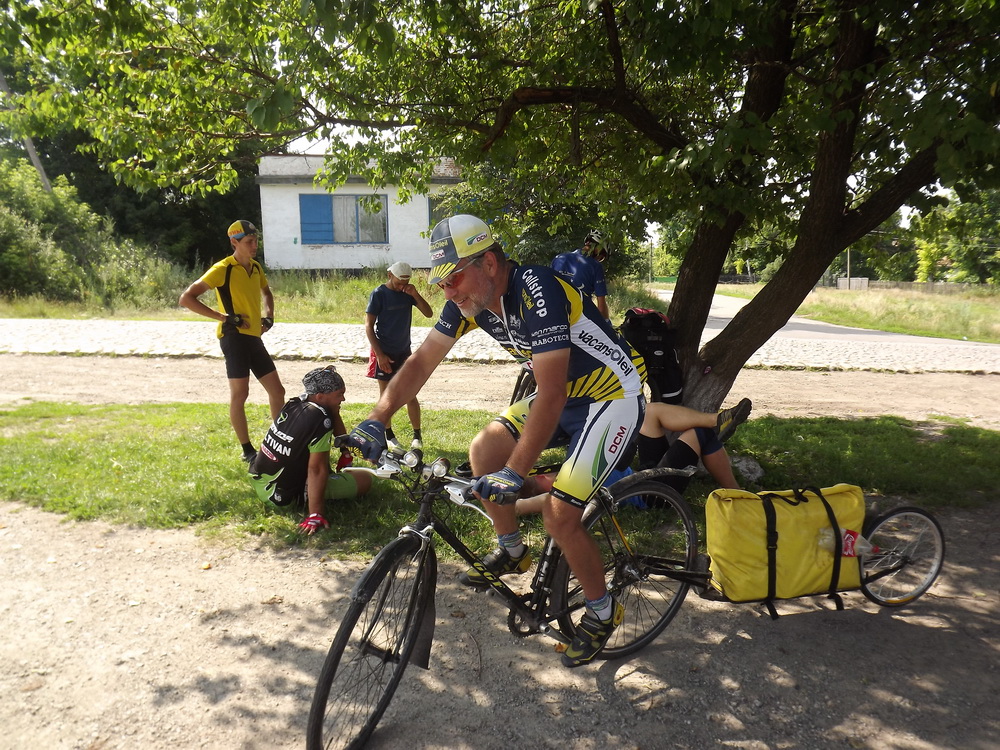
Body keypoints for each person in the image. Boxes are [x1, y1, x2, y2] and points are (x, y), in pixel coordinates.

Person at [348, 214, 646, 668]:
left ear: (488, 263)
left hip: (612, 394)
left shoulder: (537, 290)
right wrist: (377, 417)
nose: (447, 292)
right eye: (440, 283)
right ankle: (512, 551)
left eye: (453, 279)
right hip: (567, 392)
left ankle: (603, 612)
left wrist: (515, 472)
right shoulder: (471, 302)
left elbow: (551, 393)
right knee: (483, 450)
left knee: (560, 515)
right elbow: (422, 362)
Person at [179, 220, 285, 464]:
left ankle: (281, 441)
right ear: (234, 242)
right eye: (249, 242)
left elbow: (266, 292)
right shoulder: (222, 268)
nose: (254, 246)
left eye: (256, 241)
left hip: (253, 337)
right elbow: (187, 298)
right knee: (241, 393)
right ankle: (248, 451)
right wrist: (223, 317)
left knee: (277, 390)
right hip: (233, 337)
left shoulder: (256, 267)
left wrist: (269, 317)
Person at [248, 366, 373, 534]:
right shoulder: (319, 420)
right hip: (278, 496)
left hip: (259, 480)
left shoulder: (295, 403)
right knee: (365, 479)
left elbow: (330, 418)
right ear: (320, 396)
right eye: (339, 394)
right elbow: (316, 469)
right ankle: (310, 503)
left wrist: (345, 450)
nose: (343, 398)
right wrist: (315, 514)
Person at [365, 261, 433, 451]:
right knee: (386, 396)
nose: (402, 286)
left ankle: (417, 436)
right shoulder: (379, 294)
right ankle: (389, 435)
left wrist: (415, 294)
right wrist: (379, 355)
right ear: (389, 275)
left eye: (406, 282)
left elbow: (428, 313)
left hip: (404, 351)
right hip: (384, 352)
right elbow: (368, 326)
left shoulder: (408, 293)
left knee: (410, 393)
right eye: (398, 282)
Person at [635, 398, 752, 494]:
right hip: (646, 492)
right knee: (702, 434)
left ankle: (718, 420)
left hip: (641, 477)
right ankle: (737, 493)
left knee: (650, 412)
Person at [551, 229, 610, 320]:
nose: (599, 260)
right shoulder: (595, 266)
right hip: (578, 317)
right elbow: (601, 309)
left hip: (552, 311)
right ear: (599, 249)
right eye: (601, 258)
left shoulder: (558, 258)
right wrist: (606, 321)